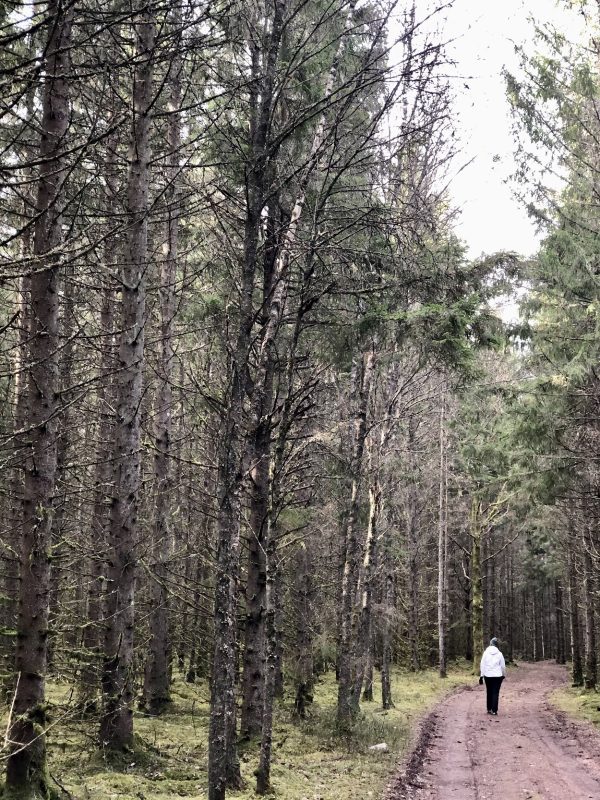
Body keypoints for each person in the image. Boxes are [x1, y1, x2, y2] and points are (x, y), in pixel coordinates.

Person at [480, 637, 506, 715]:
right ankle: (494, 710)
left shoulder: (485, 653)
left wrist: (481, 675)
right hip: (498, 676)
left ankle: (489, 708)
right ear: (496, 645)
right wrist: (503, 674)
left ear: (490, 644)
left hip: (487, 675)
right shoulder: (500, 654)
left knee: (489, 691)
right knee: (495, 692)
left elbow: (482, 664)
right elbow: (502, 666)